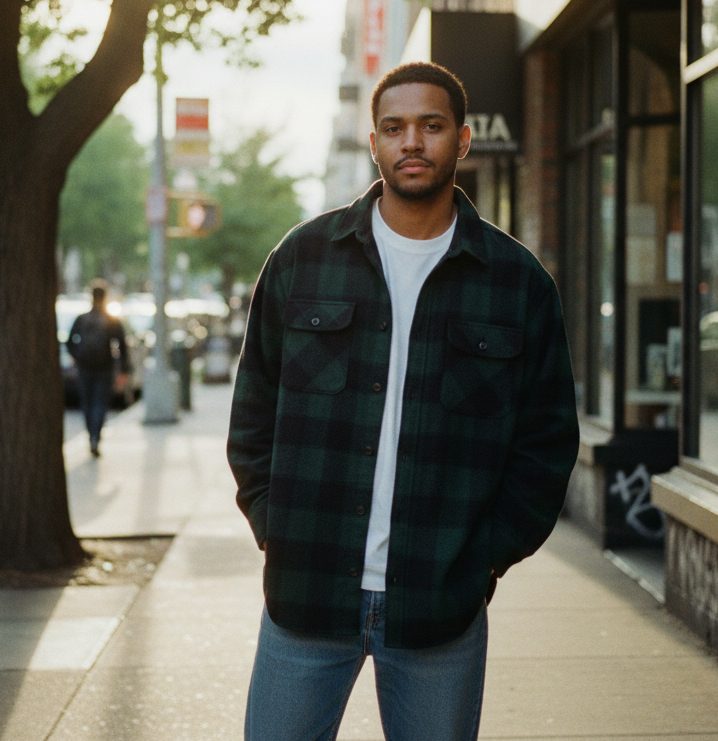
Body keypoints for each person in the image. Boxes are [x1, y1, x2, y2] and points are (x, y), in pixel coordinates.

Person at [227, 62, 579, 740]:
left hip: (439, 607)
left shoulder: (516, 284)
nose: (411, 141)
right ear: (375, 142)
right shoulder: (302, 262)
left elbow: (546, 444)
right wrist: (279, 528)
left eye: (430, 125)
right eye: (394, 127)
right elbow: (253, 417)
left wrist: (482, 558)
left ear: (464, 140)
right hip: (306, 595)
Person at [67, 281, 130, 457]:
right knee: (100, 403)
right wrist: (124, 370)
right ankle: (96, 437)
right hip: (104, 367)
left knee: (87, 403)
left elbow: (70, 342)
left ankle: (91, 436)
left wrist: (78, 357)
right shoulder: (112, 320)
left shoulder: (82, 319)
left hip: (85, 367)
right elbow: (122, 346)